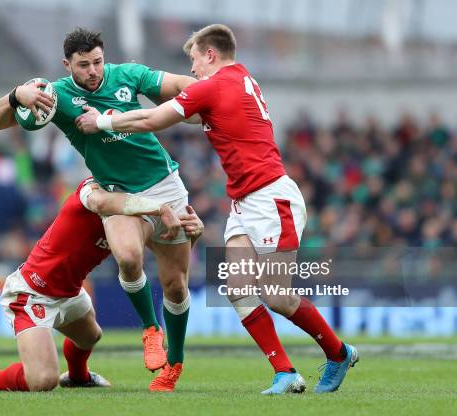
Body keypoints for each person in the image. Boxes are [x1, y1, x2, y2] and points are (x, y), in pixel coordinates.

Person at [76, 24, 359, 395]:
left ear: (210, 54)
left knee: (276, 295)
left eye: (194, 60)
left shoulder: (214, 85)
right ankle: (285, 372)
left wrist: (103, 121)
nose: (191, 70)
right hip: (245, 202)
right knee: (238, 288)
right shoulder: (241, 79)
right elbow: (191, 114)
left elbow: (151, 120)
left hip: (272, 197)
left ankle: (338, 353)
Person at [0, 28, 199, 391]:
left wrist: (211, 86)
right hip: (115, 191)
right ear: (67, 65)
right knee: (129, 257)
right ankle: (150, 329)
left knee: (176, 285)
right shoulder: (57, 95)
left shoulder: (127, 75)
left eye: (97, 62)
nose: (93, 71)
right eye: (83, 65)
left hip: (165, 183)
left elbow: (178, 84)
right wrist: (16, 94)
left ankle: (173, 365)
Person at [0, 178, 204, 392]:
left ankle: (78, 377)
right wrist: (162, 208)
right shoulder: (94, 188)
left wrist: (190, 235)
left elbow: (167, 258)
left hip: (70, 293)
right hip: (33, 292)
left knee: (90, 336)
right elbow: (99, 201)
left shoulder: (132, 213)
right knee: (43, 381)